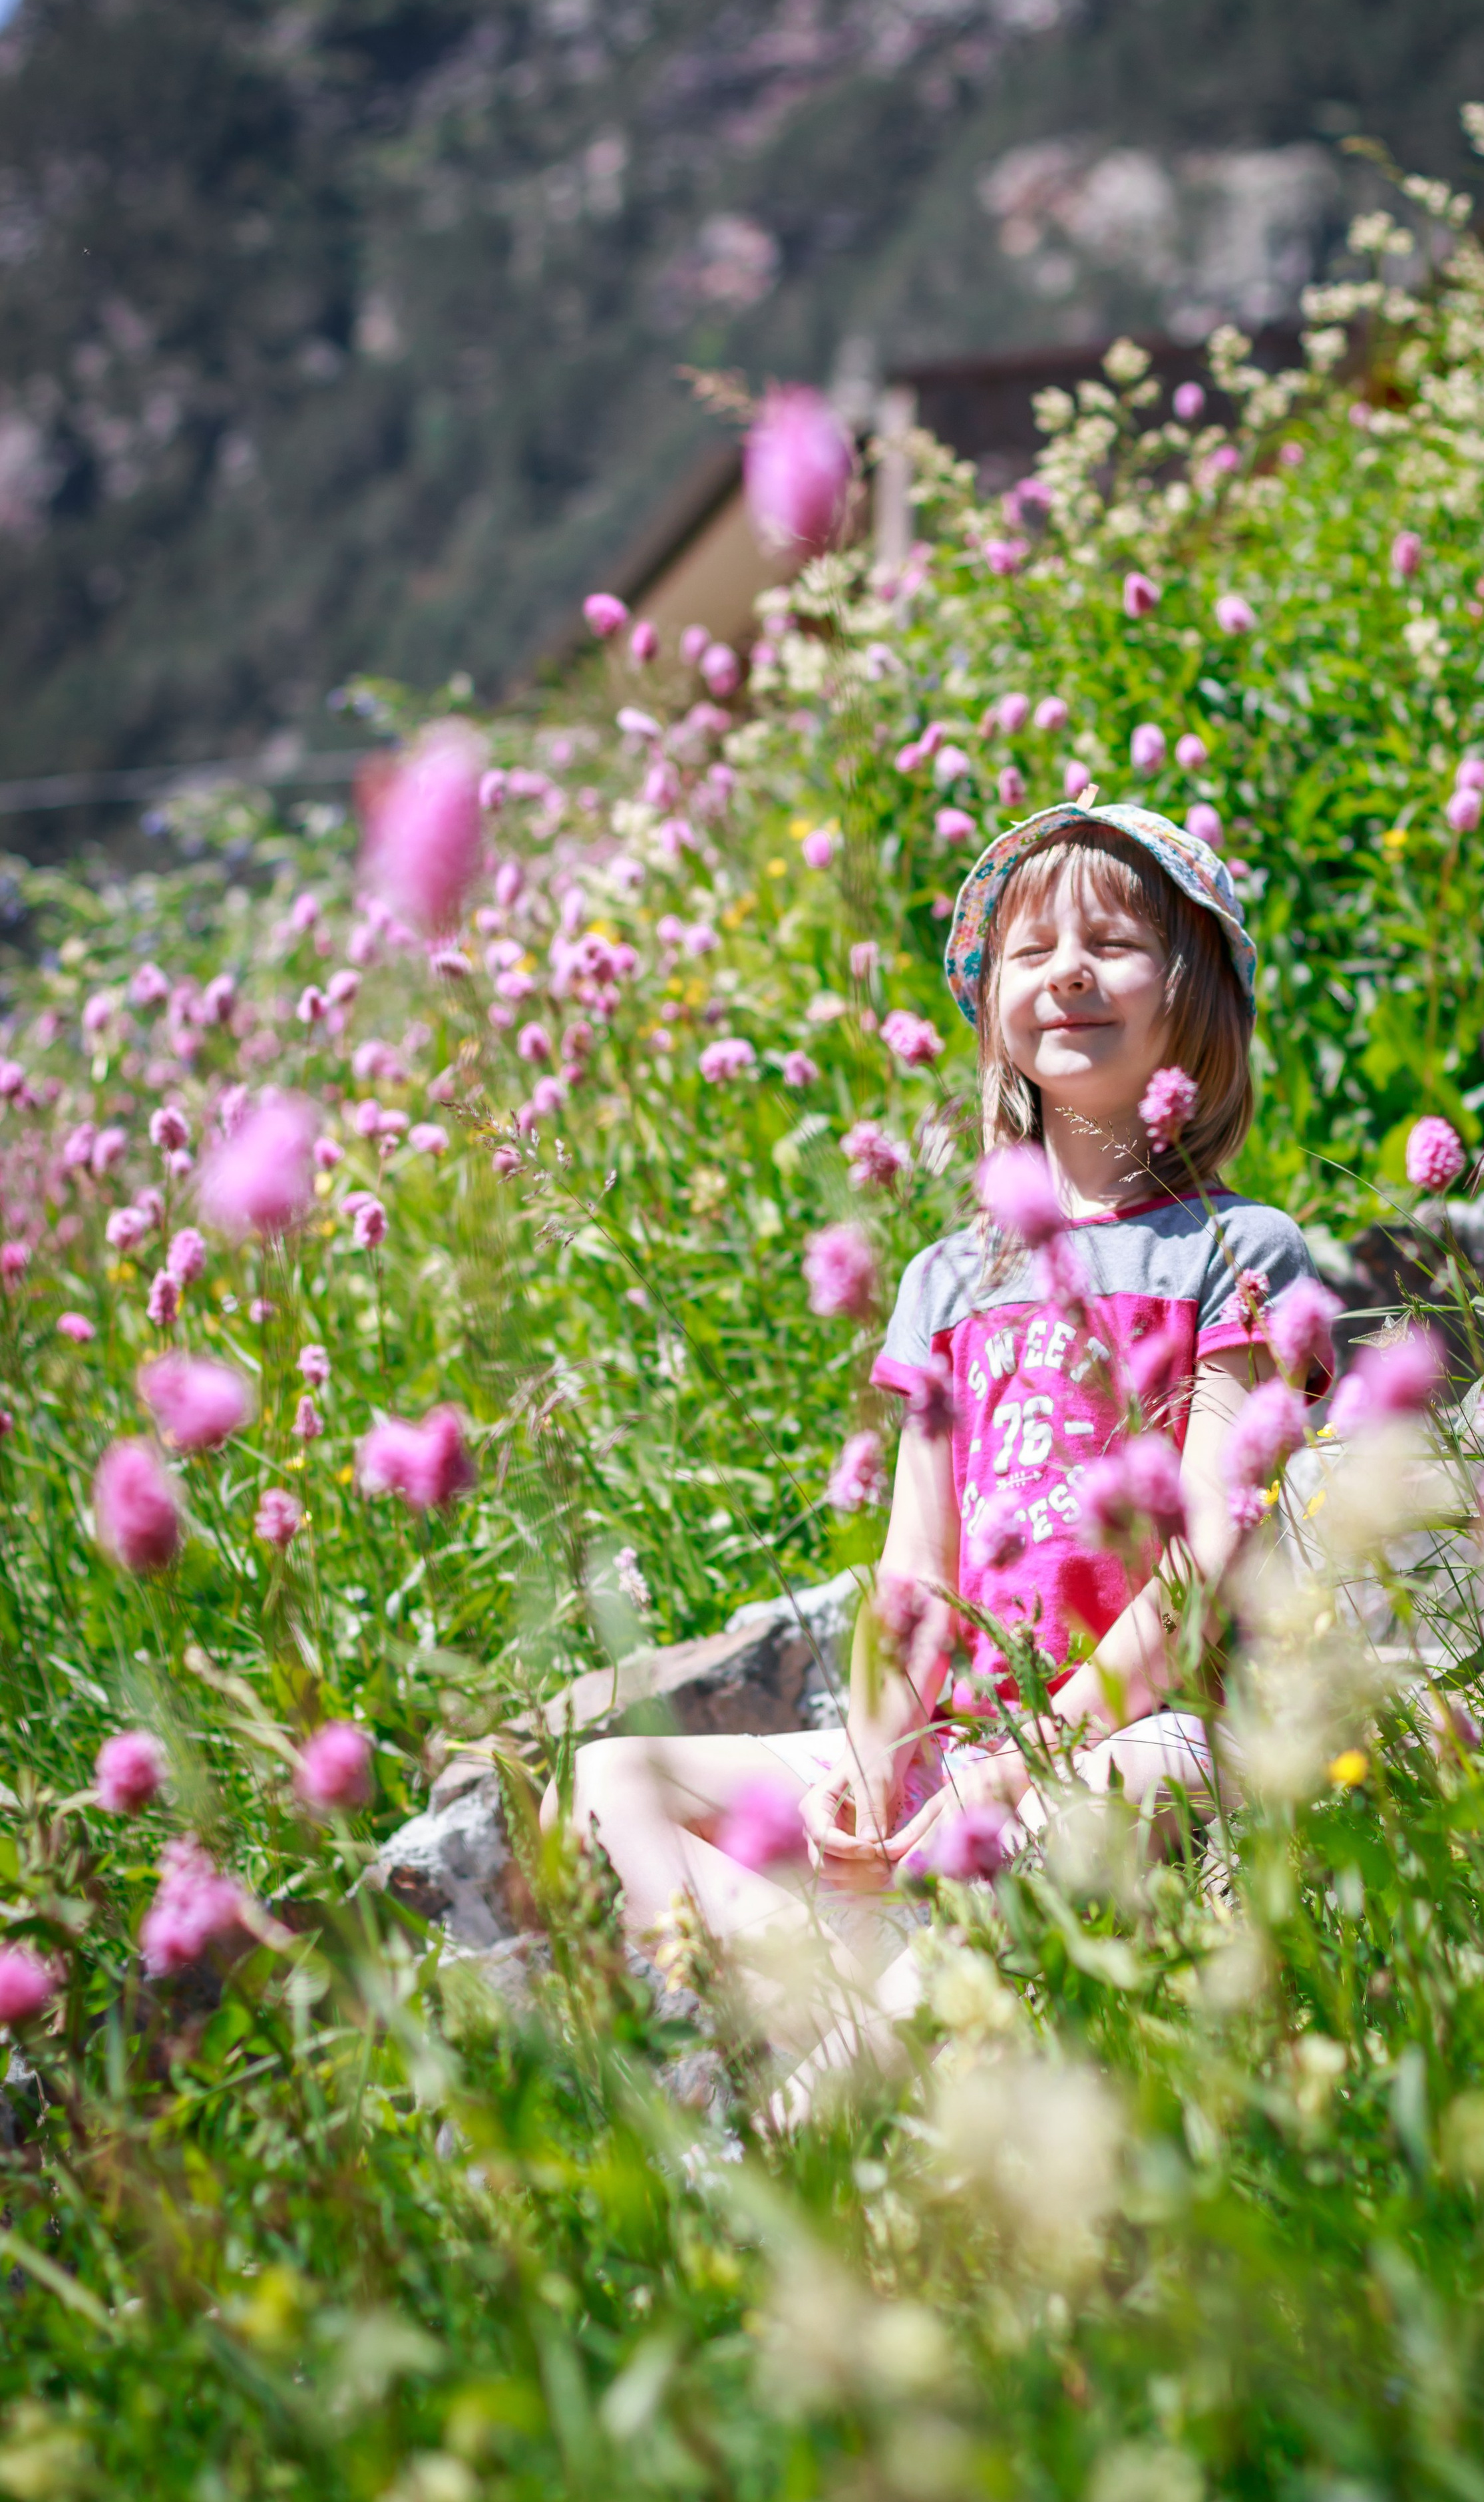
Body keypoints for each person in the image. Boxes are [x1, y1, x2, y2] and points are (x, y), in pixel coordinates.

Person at [541, 791, 1332, 2077]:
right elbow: (915, 1574)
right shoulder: (946, 1281)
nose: (1067, 971)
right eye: (1030, 951)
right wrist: (870, 1759)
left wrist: (1030, 1765)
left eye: (1113, 943)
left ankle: (857, 2065)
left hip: (1149, 1734)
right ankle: (849, 2004)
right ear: (995, 1014)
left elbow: (1199, 1564)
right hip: (960, 1747)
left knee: (1132, 1780)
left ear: (1196, 995)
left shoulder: (1240, 1251)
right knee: (609, 1779)